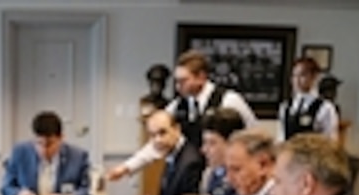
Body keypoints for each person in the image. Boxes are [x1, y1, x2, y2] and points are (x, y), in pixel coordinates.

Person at [107, 50, 257, 181]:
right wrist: (127, 167)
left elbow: (253, 136)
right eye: (176, 81)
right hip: (189, 172)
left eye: (183, 81)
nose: (178, 86)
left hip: (223, 173)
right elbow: (158, 140)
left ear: (201, 77)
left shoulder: (229, 100)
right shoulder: (178, 105)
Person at [0, 111, 91, 195]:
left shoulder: (78, 156)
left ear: (61, 138)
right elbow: (6, 187)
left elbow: (87, 190)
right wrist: (19, 194)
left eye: (49, 145)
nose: (44, 150)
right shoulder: (19, 152)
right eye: (39, 143)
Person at [132, 109, 204, 195]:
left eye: (163, 132)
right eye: (152, 135)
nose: (158, 140)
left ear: (177, 129)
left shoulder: (190, 162)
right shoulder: (173, 154)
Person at [277, 57, 339, 142]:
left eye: (302, 75)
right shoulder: (285, 107)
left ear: (314, 77)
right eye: (294, 76)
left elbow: (331, 139)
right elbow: (282, 136)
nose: (297, 80)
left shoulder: (325, 108)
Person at [199, 107, 246, 195]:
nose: (204, 150)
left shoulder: (242, 180)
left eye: (212, 143)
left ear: (232, 144)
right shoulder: (210, 174)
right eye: (204, 142)